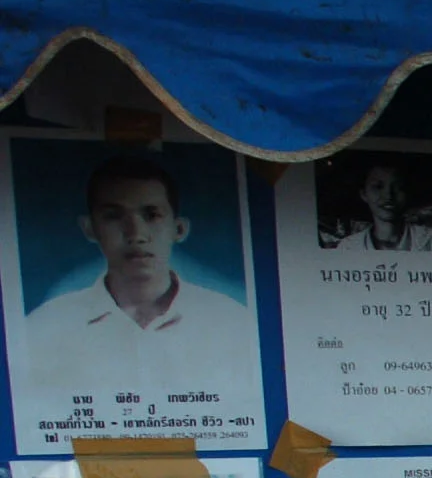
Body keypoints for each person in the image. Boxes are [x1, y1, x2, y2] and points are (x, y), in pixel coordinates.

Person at [18, 154, 257, 382]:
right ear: (90, 228)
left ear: (178, 229)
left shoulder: (232, 323)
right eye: (113, 216)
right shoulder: (45, 327)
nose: (136, 234)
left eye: (152, 215)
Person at [326, 159, 432, 252]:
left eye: (398, 187)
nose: (388, 195)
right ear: (364, 194)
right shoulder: (349, 248)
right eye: (378, 187)